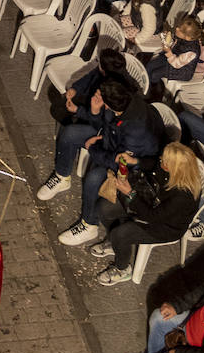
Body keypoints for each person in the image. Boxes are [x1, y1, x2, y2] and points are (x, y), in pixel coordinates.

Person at [37, 76, 165, 248]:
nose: (96, 96)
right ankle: (62, 177)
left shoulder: (136, 132)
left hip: (134, 168)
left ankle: (89, 224)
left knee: (93, 178)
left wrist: (93, 148)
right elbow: (104, 125)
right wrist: (92, 111)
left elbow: (119, 162)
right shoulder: (121, 102)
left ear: (109, 105)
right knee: (70, 134)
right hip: (111, 142)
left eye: (99, 97)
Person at [91, 142, 202, 286]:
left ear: (173, 168)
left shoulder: (183, 196)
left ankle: (122, 269)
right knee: (104, 208)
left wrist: (130, 194)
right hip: (151, 201)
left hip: (164, 227)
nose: (160, 161)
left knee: (120, 234)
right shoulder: (173, 170)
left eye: (164, 161)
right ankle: (116, 244)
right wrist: (134, 161)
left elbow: (152, 217)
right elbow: (153, 163)